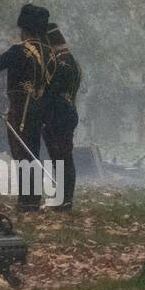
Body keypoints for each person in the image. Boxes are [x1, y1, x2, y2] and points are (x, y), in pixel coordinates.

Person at [0, 4, 50, 211]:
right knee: (33, 153)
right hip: (43, 109)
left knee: (22, 154)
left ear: (25, 30)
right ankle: (32, 198)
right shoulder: (49, 53)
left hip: (21, 109)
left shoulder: (19, 51)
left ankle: (27, 202)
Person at [39, 20, 82, 211]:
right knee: (61, 159)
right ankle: (63, 198)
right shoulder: (69, 60)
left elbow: (50, 93)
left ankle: (64, 200)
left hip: (59, 116)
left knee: (62, 159)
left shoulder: (60, 64)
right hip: (65, 113)